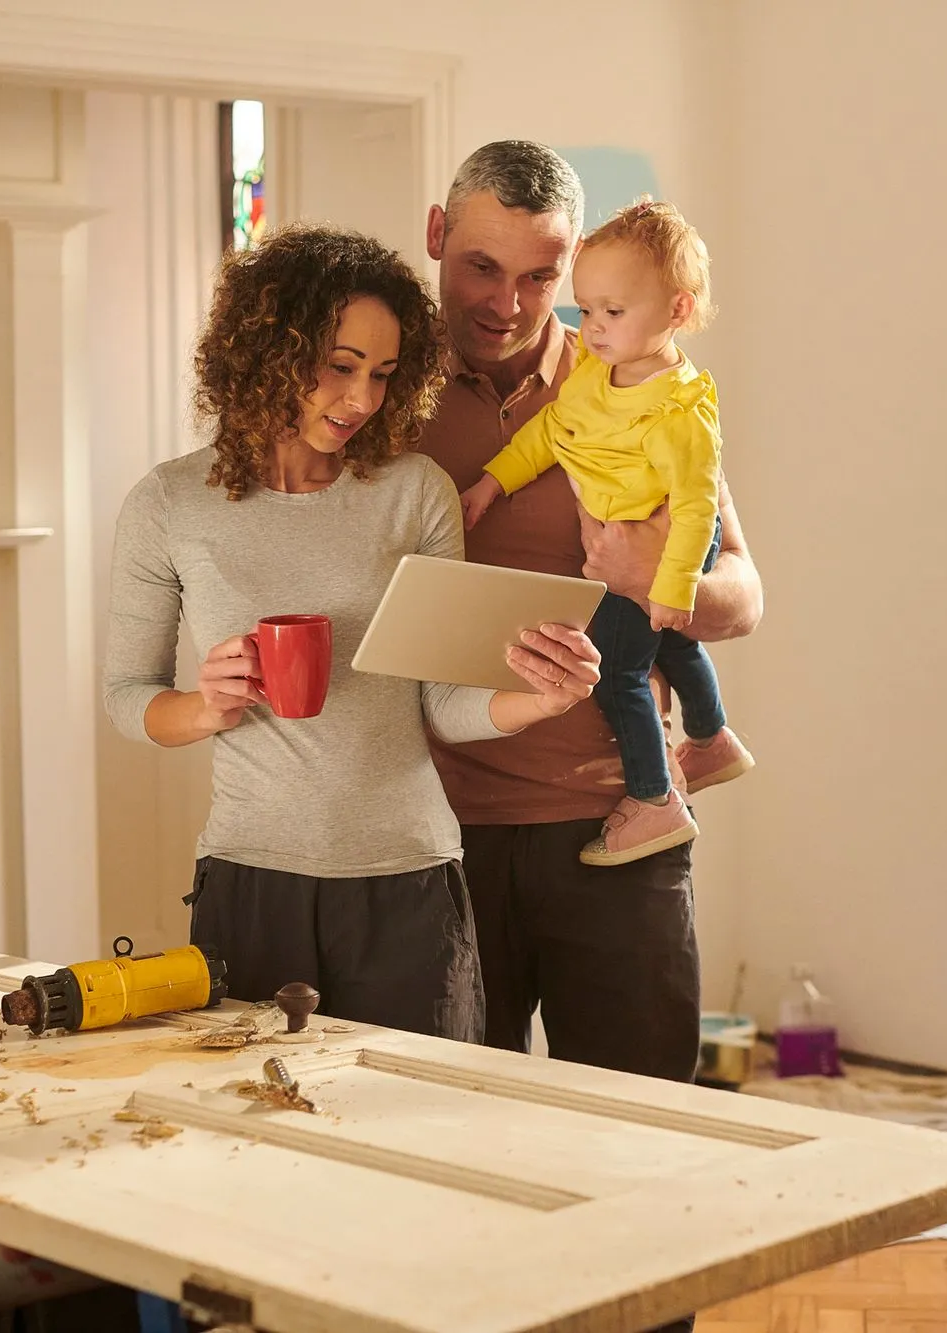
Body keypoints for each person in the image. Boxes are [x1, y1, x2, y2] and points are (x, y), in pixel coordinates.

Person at [102, 222, 601, 1037]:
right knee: (257, 1135)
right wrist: (203, 707)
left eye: (382, 373)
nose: (362, 400)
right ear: (267, 352)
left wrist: (538, 700)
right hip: (250, 880)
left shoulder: (416, 492)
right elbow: (128, 696)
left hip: (410, 881)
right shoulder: (169, 504)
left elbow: (440, 703)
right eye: (339, 368)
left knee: (416, 1139)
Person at [417, 140, 765, 1089]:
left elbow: (744, 592)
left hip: (620, 820)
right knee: (452, 1127)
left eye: (540, 277)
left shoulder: (637, 385)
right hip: (437, 833)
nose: (509, 303)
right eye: (481, 267)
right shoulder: (376, 391)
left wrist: (664, 573)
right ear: (436, 236)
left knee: (639, 1133)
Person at [460, 197, 753, 867]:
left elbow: (699, 507)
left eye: (612, 313)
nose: (590, 328)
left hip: (668, 546)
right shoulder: (596, 374)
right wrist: (493, 482)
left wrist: (667, 581)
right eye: (585, 309)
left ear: (676, 311)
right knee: (670, 647)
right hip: (636, 549)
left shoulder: (682, 410)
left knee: (622, 668)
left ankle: (653, 801)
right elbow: (550, 433)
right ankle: (711, 738)